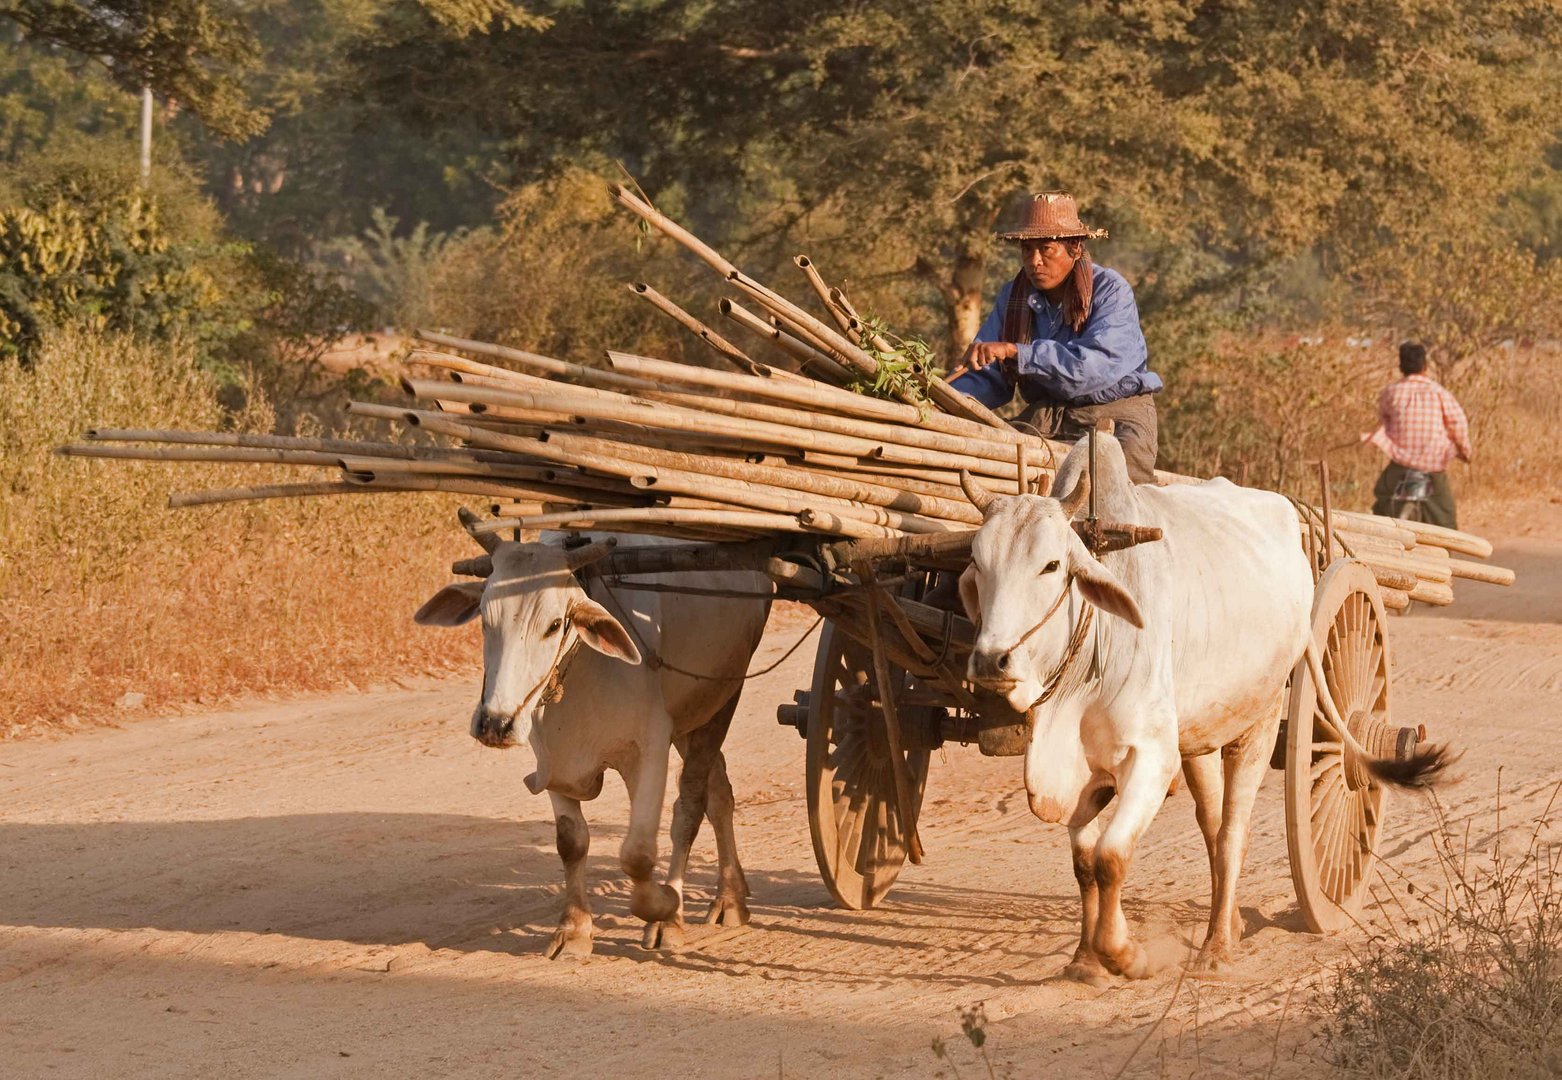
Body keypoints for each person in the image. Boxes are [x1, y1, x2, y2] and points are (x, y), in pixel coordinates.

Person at [951, 191, 1162, 483]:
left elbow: (1089, 369)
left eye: (1046, 249)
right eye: (1027, 250)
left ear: (1074, 248)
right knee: (990, 472)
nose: (1034, 261)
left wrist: (1018, 352)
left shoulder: (1111, 291)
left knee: (1116, 502)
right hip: (1048, 418)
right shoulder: (1013, 298)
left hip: (1117, 416)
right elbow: (986, 375)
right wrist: (942, 401)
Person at [1361, 342, 1472, 528]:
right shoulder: (1439, 393)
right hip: (1432, 466)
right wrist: (1465, 451)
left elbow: (1383, 419)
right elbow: (1457, 424)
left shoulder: (1391, 392)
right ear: (1425, 367)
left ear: (1401, 367)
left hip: (1400, 465)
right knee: (1445, 515)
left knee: (1382, 501)